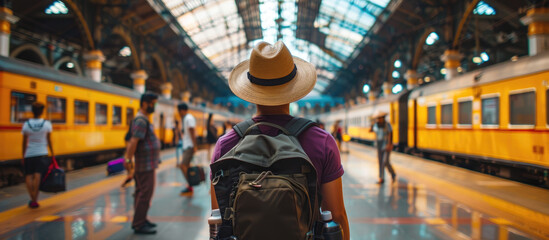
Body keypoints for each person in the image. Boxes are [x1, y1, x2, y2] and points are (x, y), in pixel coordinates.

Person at [210, 41, 350, 240]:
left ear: (250, 90)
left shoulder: (226, 144)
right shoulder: (322, 141)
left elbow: (219, 217)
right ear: (294, 88)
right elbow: (336, 216)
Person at [124, 93, 161, 234]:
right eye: (153, 104)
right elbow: (134, 141)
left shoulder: (143, 119)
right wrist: (128, 160)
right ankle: (139, 223)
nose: (154, 107)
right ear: (145, 103)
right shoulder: (141, 120)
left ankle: (141, 219)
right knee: (145, 193)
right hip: (144, 164)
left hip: (147, 162)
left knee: (141, 192)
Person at [21, 102, 53, 209]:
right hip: (42, 153)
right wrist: (52, 153)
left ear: (32, 111)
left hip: (29, 153)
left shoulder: (26, 124)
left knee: (29, 175)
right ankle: (35, 199)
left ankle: (33, 199)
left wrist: (23, 155)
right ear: (42, 112)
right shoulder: (46, 124)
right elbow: (49, 140)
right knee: (38, 175)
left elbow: (24, 141)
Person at [369, 111, 396, 184]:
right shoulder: (376, 125)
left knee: (386, 161)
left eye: (380, 118)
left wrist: (390, 143)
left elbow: (390, 133)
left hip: (386, 144)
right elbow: (370, 130)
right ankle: (381, 178)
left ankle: (392, 173)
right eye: (378, 119)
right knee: (380, 162)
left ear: (383, 118)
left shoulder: (387, 125)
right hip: (379, 145)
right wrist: (372, 123)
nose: (379, 120)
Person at [177, 103, 198, 195]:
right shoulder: (185, 118)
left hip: (189, 146)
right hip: (187, 145)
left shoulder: (188, 118)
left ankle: (190, 185)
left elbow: (192, 131)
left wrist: (194, 145)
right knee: (186, 166)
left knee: (183, 166)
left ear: (182, 110)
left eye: (179, 111)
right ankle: (190, 185)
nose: (178, 113)